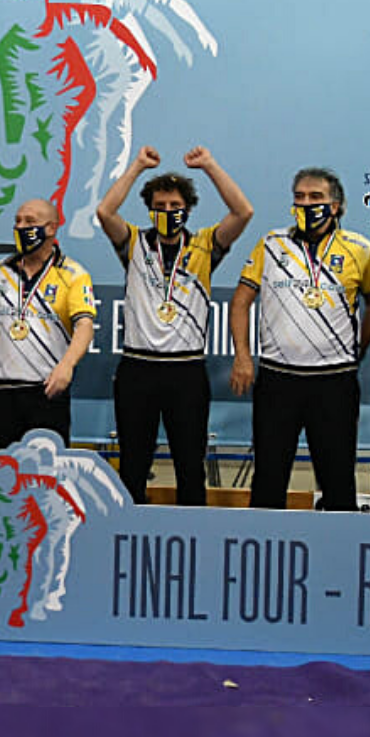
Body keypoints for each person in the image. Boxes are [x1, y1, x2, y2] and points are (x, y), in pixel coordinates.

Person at [96, 144, 254, 504]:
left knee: (189, 465)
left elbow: (243, 211)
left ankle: (192, 539)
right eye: (160, 206)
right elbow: (105, 211)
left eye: (175, 207)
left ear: (188, 209)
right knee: (133, 465)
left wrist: (210, 165)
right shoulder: (133, 242)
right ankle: (128, 534)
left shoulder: (203, 245)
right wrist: (137, 166)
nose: (168, 212)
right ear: (150, 210)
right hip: (138, 367)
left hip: (186, 370)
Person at [230, 167, 370, 511]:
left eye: (316, 197)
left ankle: (337, 553)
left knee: (337, 479)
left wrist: (360, 346)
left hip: (334, 381)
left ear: (337, 205)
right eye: (299, 197)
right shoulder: (272, 243)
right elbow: (241, 300)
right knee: (269, 477)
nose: (306, 203)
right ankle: (262, 554)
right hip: (277, 379)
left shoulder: (361, 249)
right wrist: (242, 355)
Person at [0, 200, 97, 447]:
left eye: (30, 222)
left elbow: (85, 325)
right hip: (4, 391)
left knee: (47, 476)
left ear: (51, 228)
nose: (21, 227)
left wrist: (67, 366)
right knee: (8, 472)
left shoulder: (73, 273)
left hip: (46, 389)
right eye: (18, 221)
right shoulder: (0, 272)